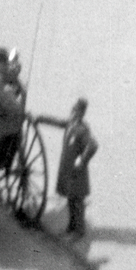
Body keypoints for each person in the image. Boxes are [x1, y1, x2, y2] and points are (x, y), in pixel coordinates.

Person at [56, 98, 98, 237]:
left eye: (77, 111)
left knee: (77, 202)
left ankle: (79, 232)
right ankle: (71, 227)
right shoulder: (70, 124)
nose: (74, 113)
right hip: (69, 171)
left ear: (82, 114)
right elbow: (57, 122)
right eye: (73, 110)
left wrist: (82, 161)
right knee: (70, 200)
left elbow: (93, 145)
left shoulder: (82, 129)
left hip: (77, 173)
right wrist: (41, 118)